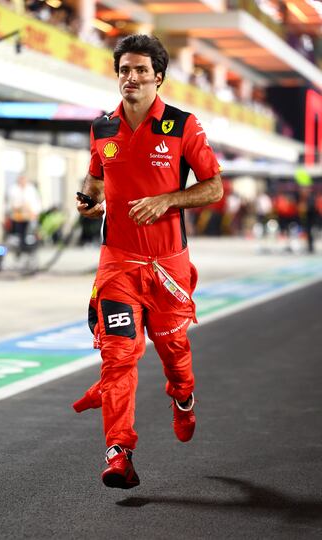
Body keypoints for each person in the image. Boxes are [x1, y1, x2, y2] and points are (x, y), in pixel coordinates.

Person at [73, 34, 223, 489]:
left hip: (168, 269)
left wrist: (168, 201)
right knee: (118, 357)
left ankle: (182, 397)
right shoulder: (102, 128)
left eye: (140, 70)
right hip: (118, 265)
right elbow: (96, 177)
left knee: (175, 355)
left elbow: (214, 187)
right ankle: (119, 451)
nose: (131, 77)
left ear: (158, 76)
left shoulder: (183, 126)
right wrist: (89, 198)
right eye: (123, 70)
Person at [7, 175, 41, 257]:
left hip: (28, 215)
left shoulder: (31, 189)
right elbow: (10, 203)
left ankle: (28, 249)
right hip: (17, 216)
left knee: (28, 234)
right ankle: (19, 250)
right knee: (19, 233)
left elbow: (35, 202)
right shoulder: (13, 189)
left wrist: (35, 212)